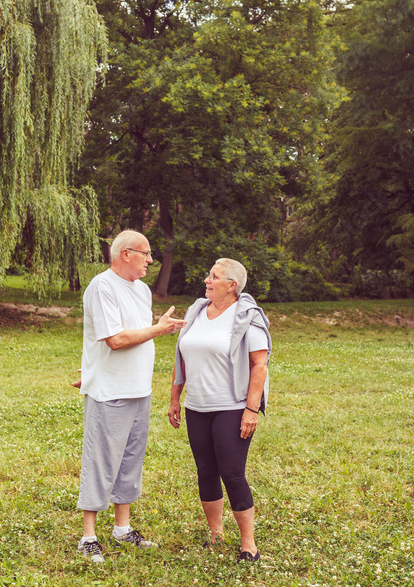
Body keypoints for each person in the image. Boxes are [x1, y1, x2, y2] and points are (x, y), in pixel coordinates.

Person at [75, 229, 185, 563]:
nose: (150, 260)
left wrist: (154, 327)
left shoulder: (142, 291)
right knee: (101, 460)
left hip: (140, 389)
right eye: (146, 253)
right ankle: (88, 537)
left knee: (129, 461)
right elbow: (115, 339)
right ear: (126, 254)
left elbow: (134, 332)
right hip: (110, 390)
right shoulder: (102, 286)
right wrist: (159, 329)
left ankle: (122, 529)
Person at [167, 258, 271, 563]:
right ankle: (215, 533)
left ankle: (248, 544)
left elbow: (259, 365)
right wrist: (175, 398)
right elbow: (181, 357)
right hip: (196, 406)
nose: (207, 281)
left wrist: (251, 410)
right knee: (206, 471)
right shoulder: (197, 311)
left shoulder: (247, 317)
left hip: (232, 407)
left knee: (232, 473)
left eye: (214, 277)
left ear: (231, 285)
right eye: (208, 275)